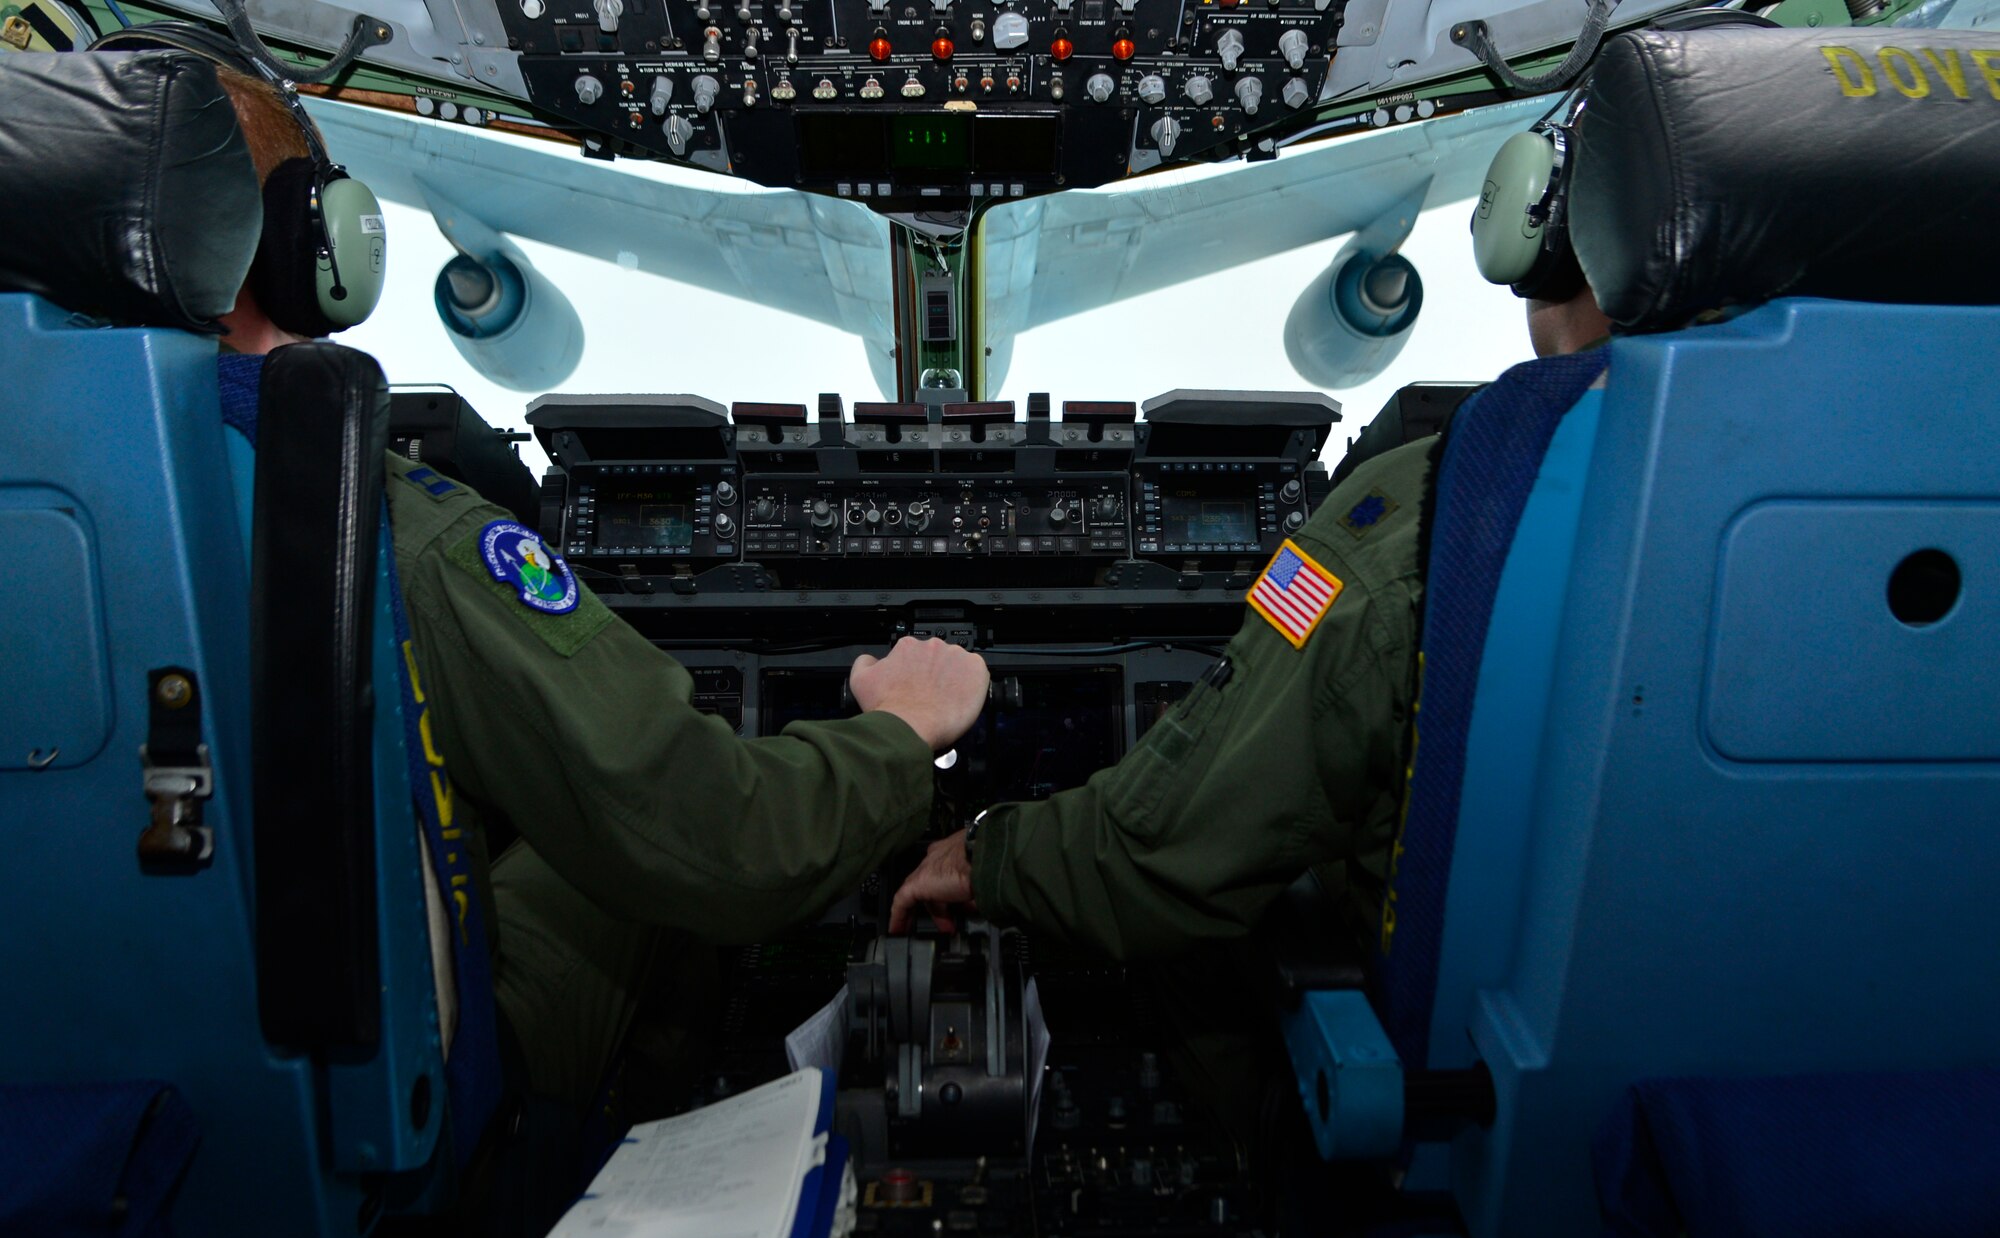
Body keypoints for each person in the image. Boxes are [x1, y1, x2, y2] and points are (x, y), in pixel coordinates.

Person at [201, 57, 991, 1113]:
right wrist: (902, 731)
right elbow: (721, 838)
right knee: (634, 862)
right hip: (379, 1116)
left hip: (168, 1066)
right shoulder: (376, 525)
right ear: (316, 247)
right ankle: (615, 1175)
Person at [890, 252, 1611, 963]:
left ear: (1555, 247)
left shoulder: (1406, 513)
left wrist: (987, 855)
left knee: (1196, 967)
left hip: (1432, 1037)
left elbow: (1174, 849)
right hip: (1580, 981)